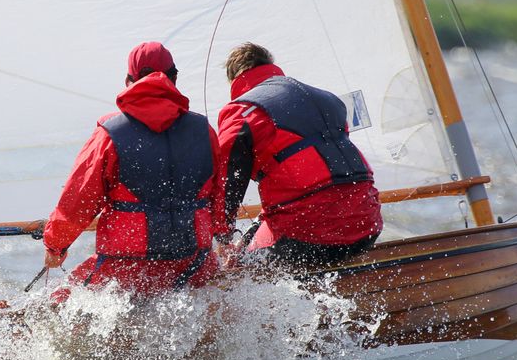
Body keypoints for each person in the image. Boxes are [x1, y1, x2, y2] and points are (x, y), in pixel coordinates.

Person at [42, 41, 225, 300]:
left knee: (57, 303)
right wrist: (225, 240)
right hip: (194, 266)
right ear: (174, 78)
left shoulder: (109, 135)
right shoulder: (205, 131)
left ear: (129, 80)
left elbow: (78, 201)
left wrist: (55, 245)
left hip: (126, 271)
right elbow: (220, 199)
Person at [216, 43, 382, 274]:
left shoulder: (241, 110)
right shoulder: (328, 99)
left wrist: (222, 237)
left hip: (306, 236)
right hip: (368, 225)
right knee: (256, 233)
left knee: (237, 267)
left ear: (234, 80)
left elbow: (227, 182)